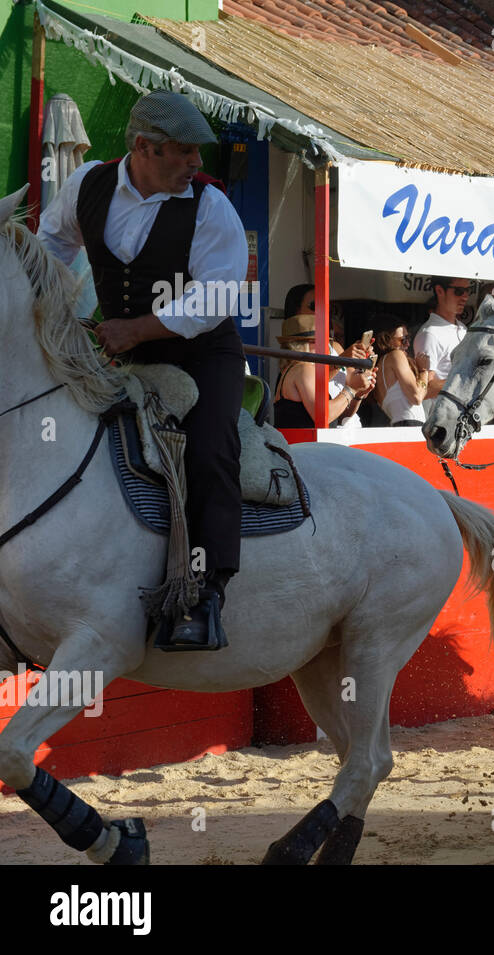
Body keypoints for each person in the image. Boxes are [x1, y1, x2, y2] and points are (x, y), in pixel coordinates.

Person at [37, 90, 249, 651]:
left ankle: (205, 595)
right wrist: (53, 311)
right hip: (119, 352)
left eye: (198, 154)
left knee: (209, 449)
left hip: (204, 355)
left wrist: (135, 328)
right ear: (143, 148)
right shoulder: (86, 183)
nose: (197, 164)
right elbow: (52, 245)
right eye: (184, 153)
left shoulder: (211, 205)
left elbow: (217, 296)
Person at [273, 310, 375, 428]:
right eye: (322, 342)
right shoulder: (303, 369)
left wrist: (357, 394)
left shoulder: (297, 369)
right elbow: (323, 416)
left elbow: (339, 418)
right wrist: (351, 389)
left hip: (305, 444)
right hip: (304, 445)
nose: (327, 346)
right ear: (307, 343)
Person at [412, 277, 470, 398]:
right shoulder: (430, 334)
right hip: (439, 413)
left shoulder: (463, 328)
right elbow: (426, 388)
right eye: (459, 291)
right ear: (439, 291)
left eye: (468, 290)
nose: (465, 297)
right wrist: (467, 379)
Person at [372, 316, 428, 426]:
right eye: (403, 340)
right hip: (411, 424)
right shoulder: (395, 355)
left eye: (408, 339)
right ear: (386, 340)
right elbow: (416, 397)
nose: (407, 344)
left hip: (399, 425)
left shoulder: (379, 367)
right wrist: (423, 372)